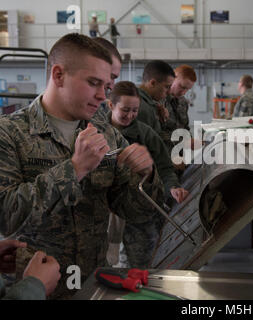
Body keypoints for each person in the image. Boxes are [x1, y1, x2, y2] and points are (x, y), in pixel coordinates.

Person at [0, 33, 163, 299]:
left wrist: (147, 175)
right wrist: (74, 169)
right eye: (93, 83)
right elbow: (6, 217)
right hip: (31, 290)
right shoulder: (9, 134)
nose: (102, 96)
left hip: (92, 285)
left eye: (106, 86)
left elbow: (135, 212)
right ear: (58, 75)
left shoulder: (106, 135)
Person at [106, 81, 189, 267]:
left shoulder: (147, 135)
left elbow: (165, 169)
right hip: (106, 217)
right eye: (125, 110)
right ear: (111, 105)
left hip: (141, 216)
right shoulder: (96, 133)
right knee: (106, 269)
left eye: (135, 110)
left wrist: (173, 188)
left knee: (142, 268)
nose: (131, 115)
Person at [161, 65, 196, 154]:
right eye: (182, 87)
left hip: (180, 155)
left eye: (187, 89)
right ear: (172, 78)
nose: (183, 92)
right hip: (163, 155)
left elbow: (185, 128)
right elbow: (156, 134)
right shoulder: (158, 100)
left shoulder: (183, 102)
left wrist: (191, 141)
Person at [137, 60, 175, 136]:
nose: (169, 92)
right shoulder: (142, 108)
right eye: (167, 87)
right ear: (153, 83)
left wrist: (163, 120)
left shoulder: (150, 104)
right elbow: (153, 143)